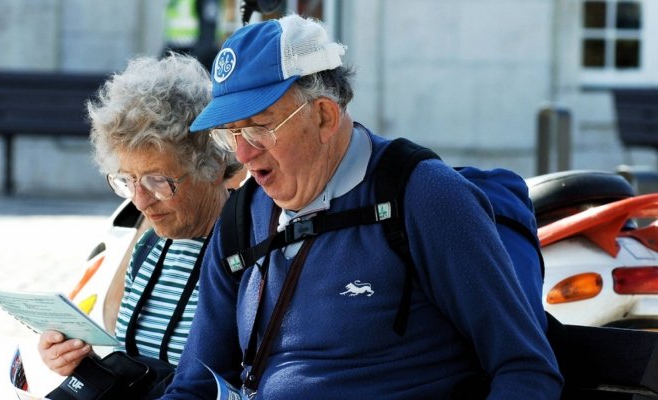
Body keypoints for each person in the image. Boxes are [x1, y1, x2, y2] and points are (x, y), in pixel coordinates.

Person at [162, 14, 563, 399]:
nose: (244, 154)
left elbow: (526, 369)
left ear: (323, 116)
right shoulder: (241, 216)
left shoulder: (424, 197)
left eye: (259, 127)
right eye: (230, 135)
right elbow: (195, 386)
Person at [37, 53, 242, 388]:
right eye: (127, 180)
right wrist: (79, 361)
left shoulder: (248, 251)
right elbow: (141, 372)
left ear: (213, 165)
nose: (140, 200)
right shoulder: (149, 246)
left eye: (158, 180)